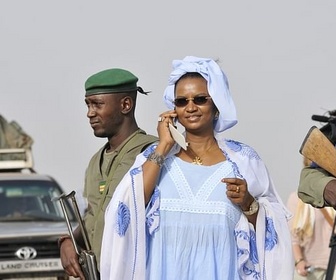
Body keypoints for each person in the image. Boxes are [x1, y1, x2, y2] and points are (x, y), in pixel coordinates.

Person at [100, 56, 294, 279]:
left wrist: (249, 203)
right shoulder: (154, 157)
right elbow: (126, 208)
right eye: (182, 102)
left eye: (200, 99)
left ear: (217, 105)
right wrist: (163, 145)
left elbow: (275, 229)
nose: (190, 107)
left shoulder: (244, 160)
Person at [58, 68, 157, 279]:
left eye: (97, 104)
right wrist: (68, 241)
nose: (90, 113)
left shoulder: (150, 154)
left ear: (125, 105)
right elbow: (94, 217)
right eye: (88, 104)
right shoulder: (96, 160)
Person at [287, 158, 336, 279]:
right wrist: (299, 261)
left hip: (333, 265)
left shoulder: (332, 195)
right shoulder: (296, 199)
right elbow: (293, 237)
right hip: (309, 269)